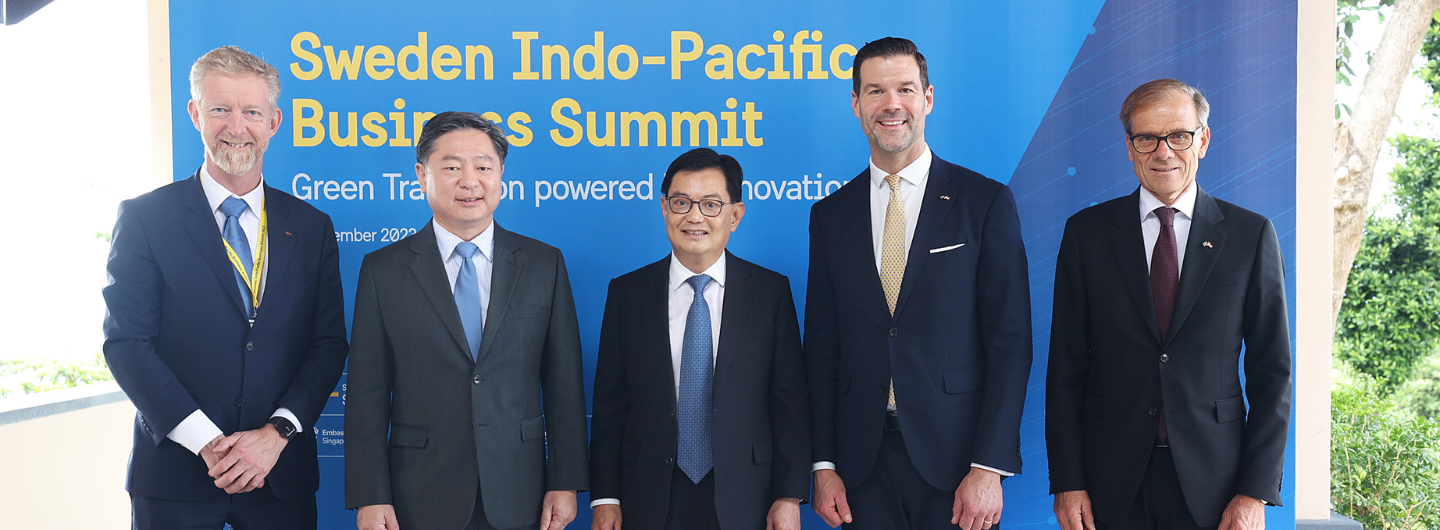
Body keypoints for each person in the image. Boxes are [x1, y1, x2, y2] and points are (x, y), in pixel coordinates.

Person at [102, 45, 349, 529]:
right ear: (196, 114)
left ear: (274, 122)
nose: (236, 127)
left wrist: (275, 435)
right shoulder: (145, 219)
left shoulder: (311, 226)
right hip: (175, 477)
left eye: (251, 112)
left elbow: (328, 344)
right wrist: (207, 442)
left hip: (279, 474)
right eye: (220, 109)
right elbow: (127, 343)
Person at [805, 37, 1033, 530]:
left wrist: (989, 466)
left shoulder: (984, 202)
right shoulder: (829, 216)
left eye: (905, 89)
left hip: (958, 467)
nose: (892, 104)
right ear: (856, 104)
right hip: (860, 469)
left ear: (928, 98)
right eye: (875, 91)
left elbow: (1011, 344)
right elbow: (822, 349)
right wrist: (823, 465)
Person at [1046, 79, 1291, 530]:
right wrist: (1067, 480)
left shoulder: (1251, 235)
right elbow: (1065, 369)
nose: (1164, 152)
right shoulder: (1086, 234)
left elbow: (1272, 374)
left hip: (1217, 485)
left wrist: (1254, 491)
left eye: (1179, 136)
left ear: (1203, 139)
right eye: (1147, 138)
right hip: (1107, 482)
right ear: (1129, 146)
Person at [345, 111, 588, 530]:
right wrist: (370, 495)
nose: (469, 181)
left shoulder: (543, 264)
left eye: (483, 167)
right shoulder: (383, 270)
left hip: (521, 489)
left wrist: (566, 482)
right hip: (420, 493)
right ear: (422, 175)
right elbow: (367, 394)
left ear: (501, 175)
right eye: (452, 167)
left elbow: (563, 384)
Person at [589, 148, 811, 530]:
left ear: (735, 215)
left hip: (748, 494)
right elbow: (610, 405)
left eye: (710, 204)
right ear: (664, 208)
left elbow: (789, 402)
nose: (694, 216)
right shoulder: (627, 293)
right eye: (681, 203)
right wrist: (606, 497)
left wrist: (788, 496)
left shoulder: (769, 292)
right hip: (650, 494)